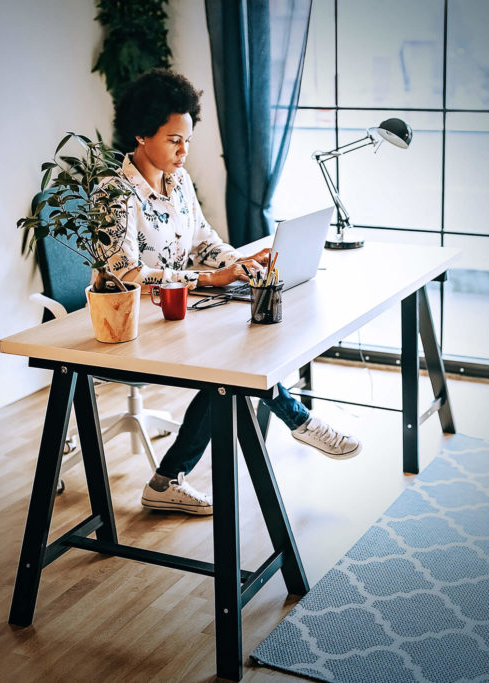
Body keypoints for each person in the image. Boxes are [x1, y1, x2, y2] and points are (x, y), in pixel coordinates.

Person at [106, 69, 361, 516]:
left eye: (188, 140)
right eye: (174, 140)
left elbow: (203, 241)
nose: (184, 151)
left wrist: (236, 263)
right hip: (134, 322)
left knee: (236, 364)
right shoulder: (115, 193)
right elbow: (126, 274)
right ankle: (298, 419)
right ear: (142, 134)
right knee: (229, 372)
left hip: (178, 314)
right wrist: (208, 281)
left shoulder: (178, 182)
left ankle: (166, 481)